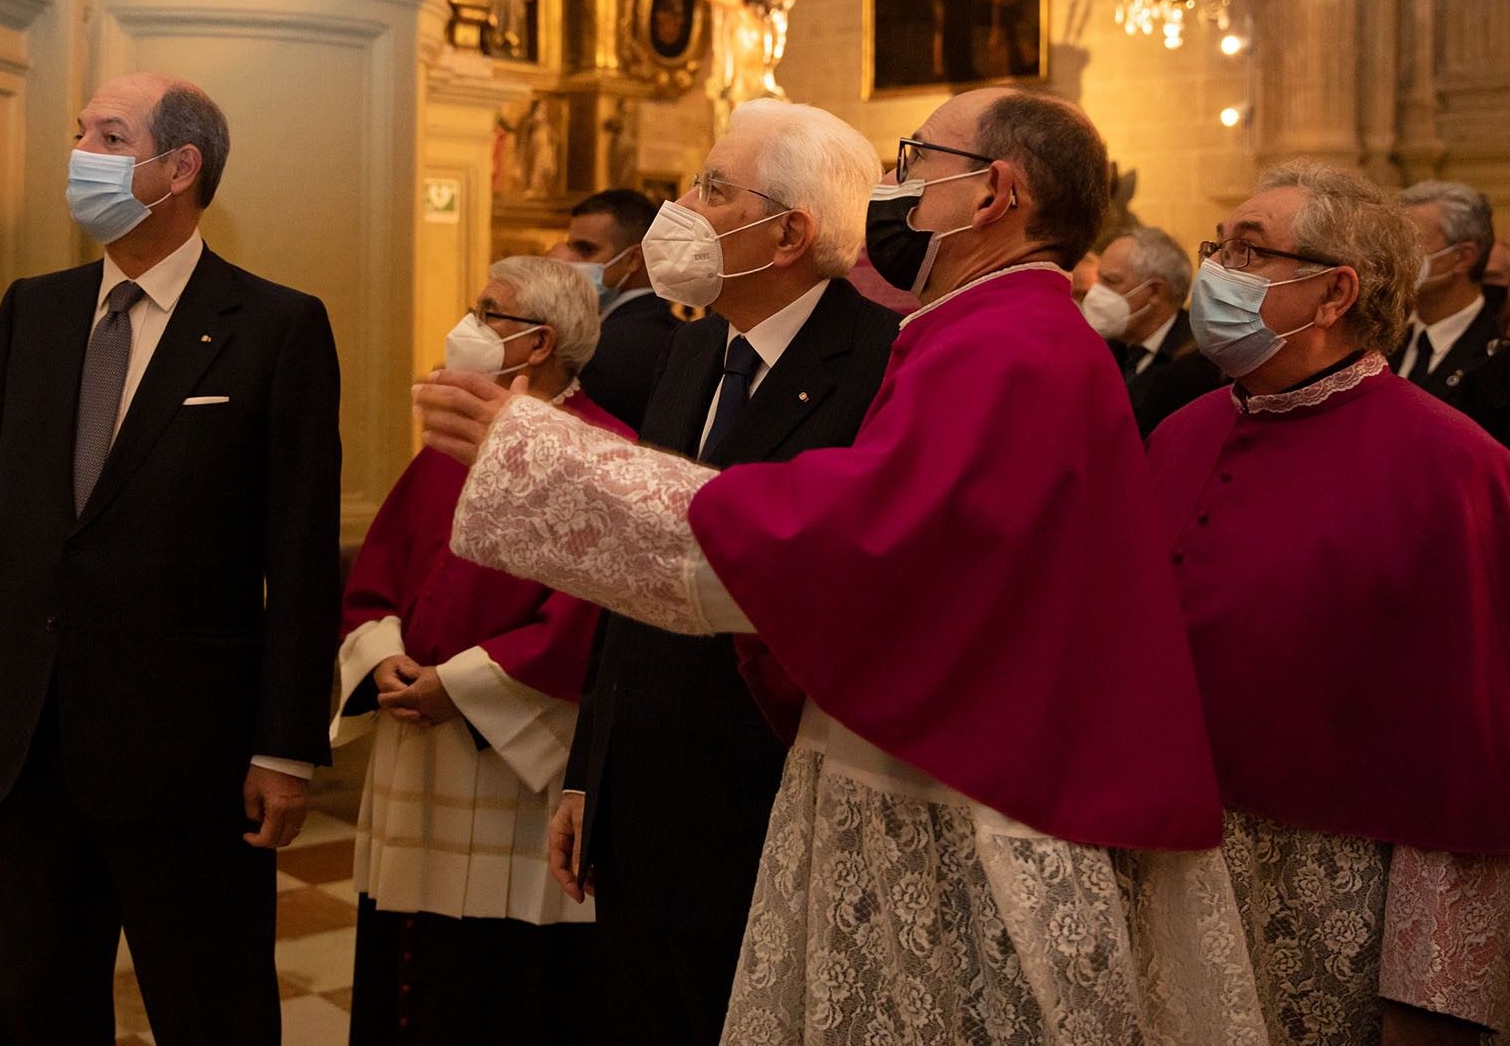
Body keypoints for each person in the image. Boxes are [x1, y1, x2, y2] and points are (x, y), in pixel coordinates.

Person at [417, 88, 1263, 1043]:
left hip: (961, 798)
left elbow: (848, 538)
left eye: (912, 162)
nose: (890, 188)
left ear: (995, 193)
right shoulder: (981, 331)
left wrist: (548, 459)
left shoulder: (1011, 346)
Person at [0, 73, 342, 1045]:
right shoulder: (34, 311)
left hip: (190, 753)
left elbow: (300, 554)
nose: (80, 152)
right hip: (35, 744)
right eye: (80, 132)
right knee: (37, 1008)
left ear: (178, 168)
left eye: (107, 134)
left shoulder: (274, 327)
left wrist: (284, 747)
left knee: (211, 1009)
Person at [556, 102, 898, 1046]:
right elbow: (636, 563)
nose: (682, 207)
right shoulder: (695, 342)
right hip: (642, 791)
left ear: (789, 231)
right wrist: (589, 772)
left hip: (768, 798)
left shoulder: (880, 362)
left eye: (712, 187)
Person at [1148, 161, 1510, 1043]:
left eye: (1251, 250)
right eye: (1219, 246)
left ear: (1336, 290)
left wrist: (1434, 1002)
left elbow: (1468, 760)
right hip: (1160, 872)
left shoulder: (1452, 466)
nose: (1218, 272)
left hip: (1328, 904)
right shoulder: (1179, 429)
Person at [335, 256, 626, 1046]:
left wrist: (455, 686)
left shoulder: (601, 448)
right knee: (402, 960)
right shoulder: (455, 437)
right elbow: (384, 570)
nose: (466, 325)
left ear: (539, 342)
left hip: (504, 757)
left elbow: (586, 619)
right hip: (413, 741)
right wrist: (383, 655)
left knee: (489, 983)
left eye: (486, 310)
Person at [550, 188, 681, 431]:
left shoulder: (602, 347)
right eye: (571, 248)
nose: (572, 261)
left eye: (586, 249)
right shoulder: (674, 331)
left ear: (632, 259)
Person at [1083, 226, 1222, 437]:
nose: (1095, 292)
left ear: (1155, 292)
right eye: (1098, 279)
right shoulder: (1108, 349)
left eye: (1110, 281)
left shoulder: (1195, 364)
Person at [1395, 181, 1498, 407]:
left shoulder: (1497, 354)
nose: (1396, 257)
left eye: (1410, 244)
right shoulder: (1383, 340)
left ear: (1462, 257)